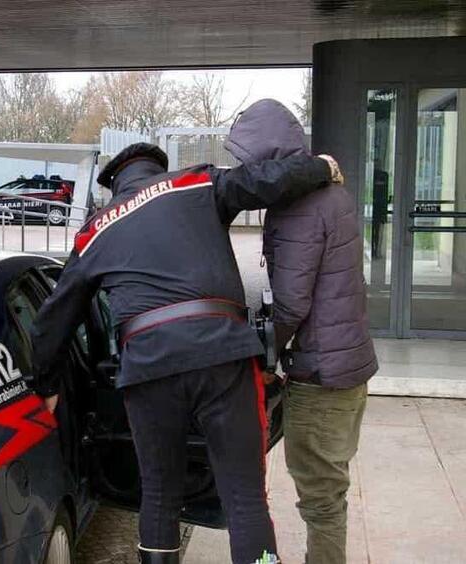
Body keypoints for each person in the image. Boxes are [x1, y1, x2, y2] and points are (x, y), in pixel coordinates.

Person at [29, 140, 340, 564]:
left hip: (148, 371)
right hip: (222, 356)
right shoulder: (194, 183)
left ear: (115, 186)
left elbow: (53, 318)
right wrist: (319, 167)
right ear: (160, 169)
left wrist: (46, 384)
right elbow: (265, 181)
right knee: (246, 497)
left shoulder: (96, 229)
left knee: (158, 497)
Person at [224, 99, 378, 564]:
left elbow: (291, 303)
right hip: (349, 365)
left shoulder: (298, 207)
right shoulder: (332, 194)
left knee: (321, 500)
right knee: (332, 490)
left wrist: (261, 354)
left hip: (321, 376)